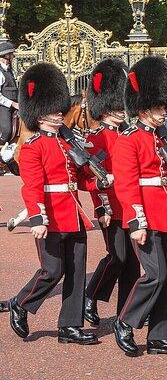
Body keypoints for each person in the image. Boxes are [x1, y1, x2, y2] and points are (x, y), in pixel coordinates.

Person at [8, 63, 110, 344]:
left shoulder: (67, 144)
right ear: (39, 114)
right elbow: (32, 186)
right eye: (53, 110)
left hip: (74, 213)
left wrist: (101, 182)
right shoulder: (32, 147)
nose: (58, 114)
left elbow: (78, 179)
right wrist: (38, 218)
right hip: (51, 214)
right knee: (52, 271)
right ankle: (21, 302)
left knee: (77, 272)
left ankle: (70, 327)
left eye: (59, 109)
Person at [112, 55, 167, 356]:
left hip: (166, 213)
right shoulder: (128, 140)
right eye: (159, 107)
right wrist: (136, 222)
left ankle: (160, 337)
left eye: (165, 106)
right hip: (145, 216)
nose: (164, 112)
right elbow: (127, 184)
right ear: (143, 108)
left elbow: (166, 179)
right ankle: (125, 321)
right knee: (155, 275)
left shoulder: (162, 138)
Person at [83, 58, 140, 325]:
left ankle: (126, 311)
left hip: (130, 205)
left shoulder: (129, 135)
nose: (121, 111)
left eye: (122, 106)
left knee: (132, 261)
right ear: (105, 108)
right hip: (111, 207)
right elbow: (90, 179)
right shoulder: (94, 140)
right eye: (116, 106)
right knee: (116, 256)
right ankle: (89, 296)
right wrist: (100, 208)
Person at [0, 41, 18, 144]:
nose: (13, 57)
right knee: (6, 130)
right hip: (3, 106)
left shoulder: (10, 70)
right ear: (6, 55)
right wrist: (12, 104)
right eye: (12, 54)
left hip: (16, 104)